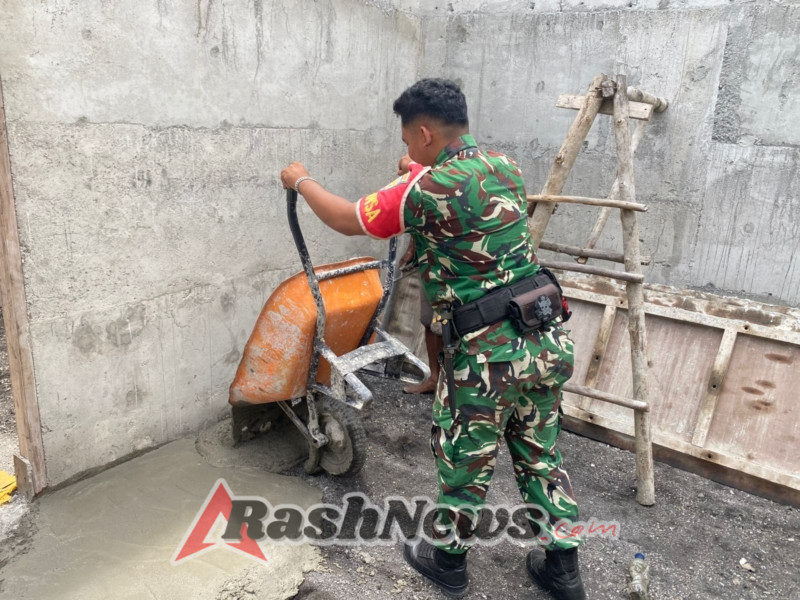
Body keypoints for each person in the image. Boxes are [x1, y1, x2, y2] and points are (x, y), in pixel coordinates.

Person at [281, 78, 586, 600]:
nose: (406, 151)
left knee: (466, 454)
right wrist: (420, 173)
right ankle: (563, 571)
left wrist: (302, 179)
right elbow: (458, 196)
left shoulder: (421, 191)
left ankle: (447, 563)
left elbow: (345, 217)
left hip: (490, 354)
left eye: (406, 142)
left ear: (423, 133)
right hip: (542, 334)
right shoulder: (504, 165)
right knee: (539, 450)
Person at [396, 154, 443, 395]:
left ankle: (450, 386)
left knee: (447, 327)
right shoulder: (422, 183)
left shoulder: (447, 178)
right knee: (428, 320)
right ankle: (434, 379)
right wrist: (412, 249)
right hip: (430, 265)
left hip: (455, 271)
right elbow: (417, 222)